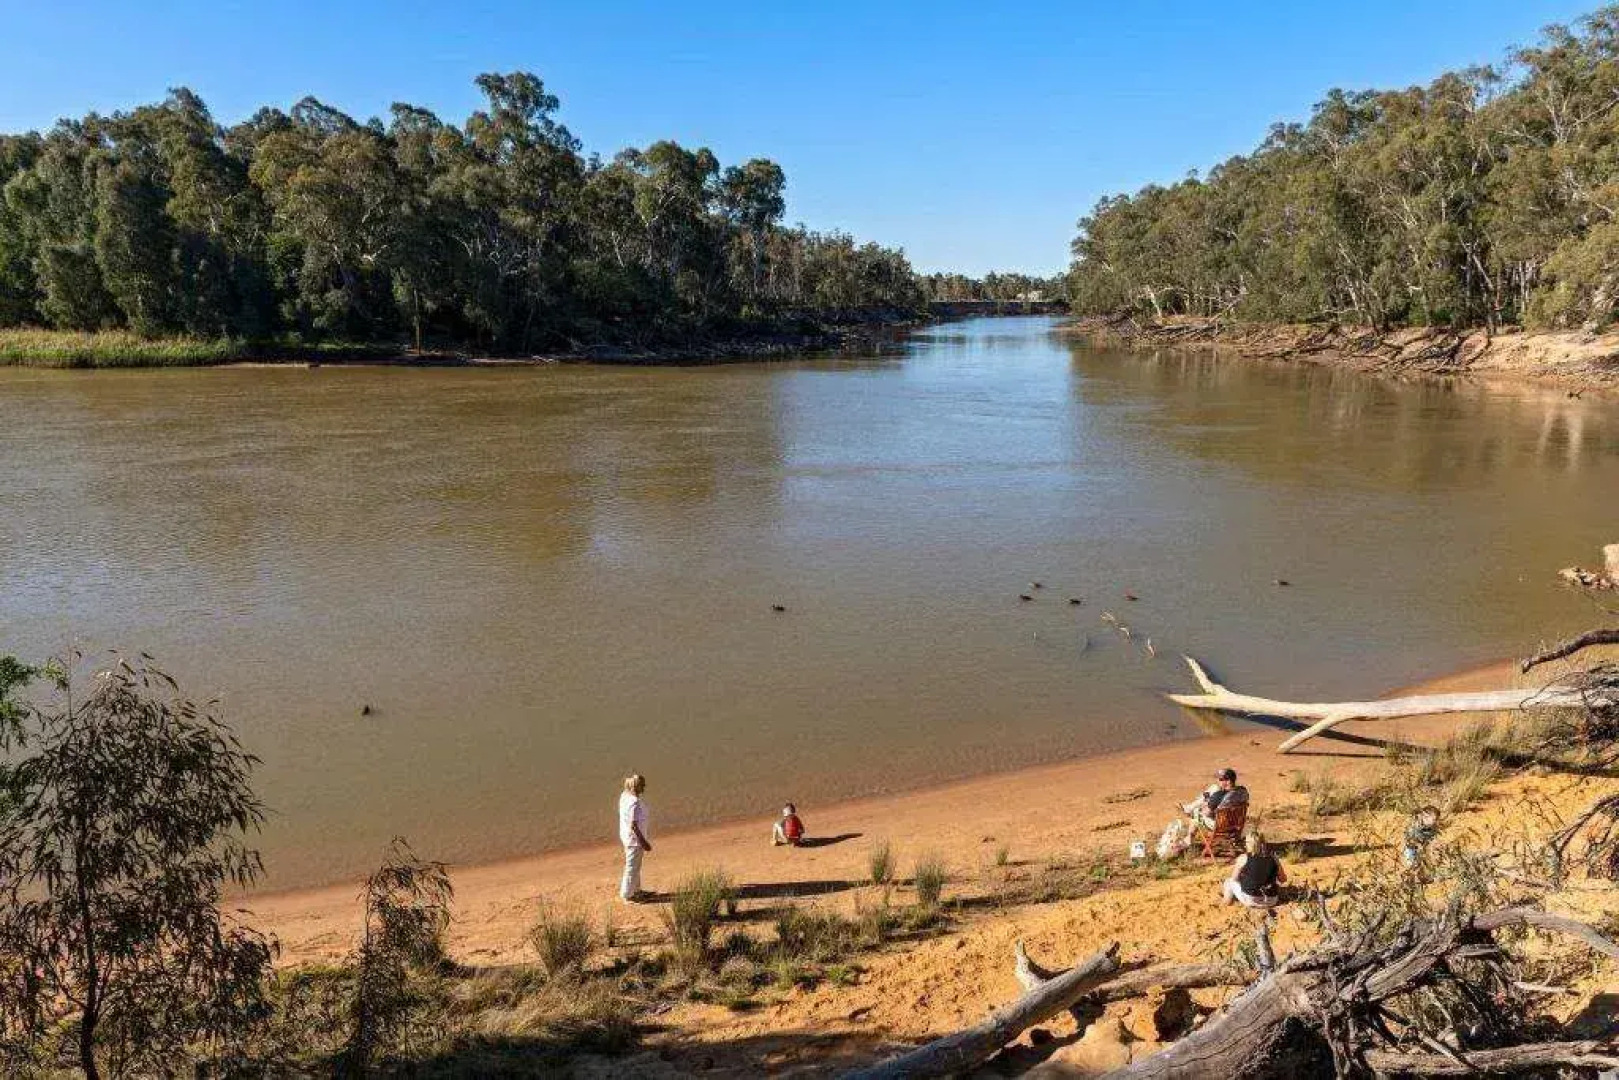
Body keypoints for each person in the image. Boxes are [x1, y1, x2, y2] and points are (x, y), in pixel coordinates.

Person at [1222, 831, 1286, 909]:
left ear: (1250, 844)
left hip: (1251, 900)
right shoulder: (1274, 858)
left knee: (1229, 882)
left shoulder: (1244, 858)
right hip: (1272, 900)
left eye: (1246, 842)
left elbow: (1234, 878)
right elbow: (1283, 879)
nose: (1245, 844)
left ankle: (1226, 902)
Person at [618, 774, 652, 902]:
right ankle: (627, 895)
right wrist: (644, 842)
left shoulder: (624, 796)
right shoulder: (634, 803)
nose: (644, 787)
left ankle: (636, 890)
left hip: (627, 837)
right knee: (632, 867)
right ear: (636, 787)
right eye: (642, 785)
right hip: (634, 841)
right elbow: (634, 825)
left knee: (635, 866)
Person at [1182, 768, 1250, 830]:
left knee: (1196, 812)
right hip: (1236, 825)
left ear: (1228, 781)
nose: (1218, 781)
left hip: (1220, 826)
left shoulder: (1218, 795)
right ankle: (1189, 808)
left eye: (1220, 779)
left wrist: (1204, 805)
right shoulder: (1243, 791)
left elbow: (1207, 813)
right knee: (1214, 787)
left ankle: (1189, 837)